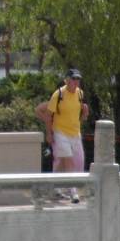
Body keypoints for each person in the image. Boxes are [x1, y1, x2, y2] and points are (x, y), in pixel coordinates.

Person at [37, 68, 88, 198]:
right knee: (68, 160)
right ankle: (72, 191)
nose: (76, 82)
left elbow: (80, 118)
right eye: (73, 79)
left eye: (78, 79)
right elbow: (46, 114)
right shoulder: (58, 95)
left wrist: (85, 114)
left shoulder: (80, 94)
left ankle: (56, 187)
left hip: (75, 133)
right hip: (60, 133)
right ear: (67, 80)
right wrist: (49, 133)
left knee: (74, 161)